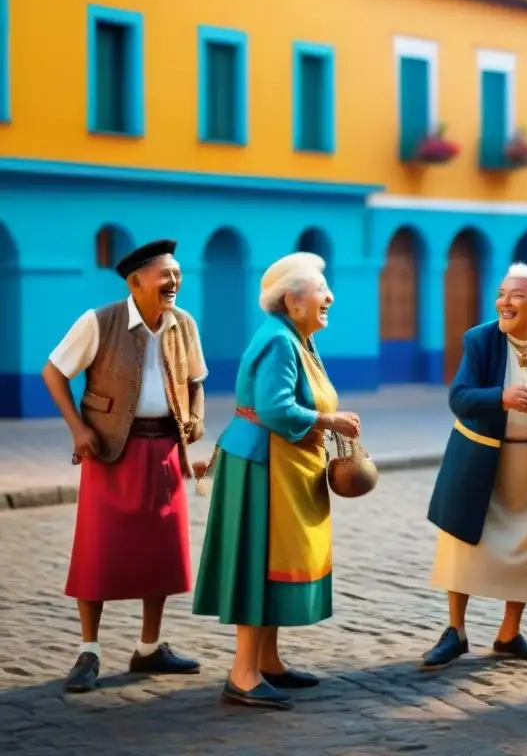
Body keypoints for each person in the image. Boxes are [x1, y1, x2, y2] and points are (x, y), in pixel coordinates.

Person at [192, 252, 361, 711]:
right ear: (292, 299)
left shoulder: (296, 338)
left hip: (281, 464)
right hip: (261, 466)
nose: (330, 296)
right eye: (321, 290)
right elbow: (274, 408)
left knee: (274, 561)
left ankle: (267, 659)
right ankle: (242, 673)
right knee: (257, 563)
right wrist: (330, 420)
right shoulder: (279, 342)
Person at [41, 239, 207, 694]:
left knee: (161, 553)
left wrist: (194, 426)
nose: (173, 282)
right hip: (111, 452)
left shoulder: (184, 324)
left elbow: (195, 381)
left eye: (177, 274)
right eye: (164, 275)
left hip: (165, 453)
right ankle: (89, 650)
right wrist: (78, 428)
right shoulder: (99, 322)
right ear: (136, 282)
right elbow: (53, 372)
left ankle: (149, 647)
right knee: (98, 551)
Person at [420, 263, 527, 671]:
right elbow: (460, 398)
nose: (504, 302)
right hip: (482, 461)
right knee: (463, 546)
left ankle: (509, 632)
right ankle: (455, 631)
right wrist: (503, 397)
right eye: (501, 293)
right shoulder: (479, 340)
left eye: (516, 296)